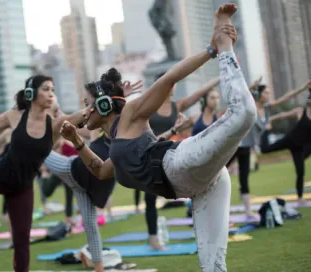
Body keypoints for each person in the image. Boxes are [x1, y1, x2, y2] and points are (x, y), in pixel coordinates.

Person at [59, 5, 247, 271]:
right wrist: (77, 142)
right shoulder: (115, 148)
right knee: (213, 266)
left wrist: (211, 50)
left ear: (102, 106)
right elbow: (100, 172)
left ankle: (224, 42)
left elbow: (169, 78)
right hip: (194, 186)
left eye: (87, 102)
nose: (83, 110)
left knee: (242, 114)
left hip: (179, 162)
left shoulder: (132, 115)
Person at [0, 75, 85, 272]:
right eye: (46, 89)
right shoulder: (16, 115)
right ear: (31, 93)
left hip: (22, 188)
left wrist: (108, 102)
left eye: (53, 89)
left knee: (22, 240)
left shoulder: (54, 124)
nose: (51, 93)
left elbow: (79, 116)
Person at [134, 73, 219, 250]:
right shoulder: (150, 106)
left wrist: (218, 77)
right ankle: (153, 239)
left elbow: (199, 93)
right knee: (150, 199)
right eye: (169, 82)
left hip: (170, 156)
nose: (172, 86)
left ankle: (205, 229)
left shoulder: (177, 105)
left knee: (194, 188)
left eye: (173, 82)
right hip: (150, 157)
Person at [226, 79, 310, 217]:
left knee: (244, 178)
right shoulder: (250, 105)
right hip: (235, 145)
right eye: (266, 92)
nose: (269, 95)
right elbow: (240, 96)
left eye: (269, 92)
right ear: (258, 95)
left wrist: (302, 88)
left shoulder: (267, 108)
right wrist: (252, 87)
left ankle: (248, 211)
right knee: (219, 172)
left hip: (246, 147)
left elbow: (286, 98)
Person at [260, 87, 311, 204]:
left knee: (300, 172)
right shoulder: (300, 111)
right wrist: (268, 120)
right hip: (289, 141)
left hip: (300, 148)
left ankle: (300, 198)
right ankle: (265, 132)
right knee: (265, 150)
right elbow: (283, 115)